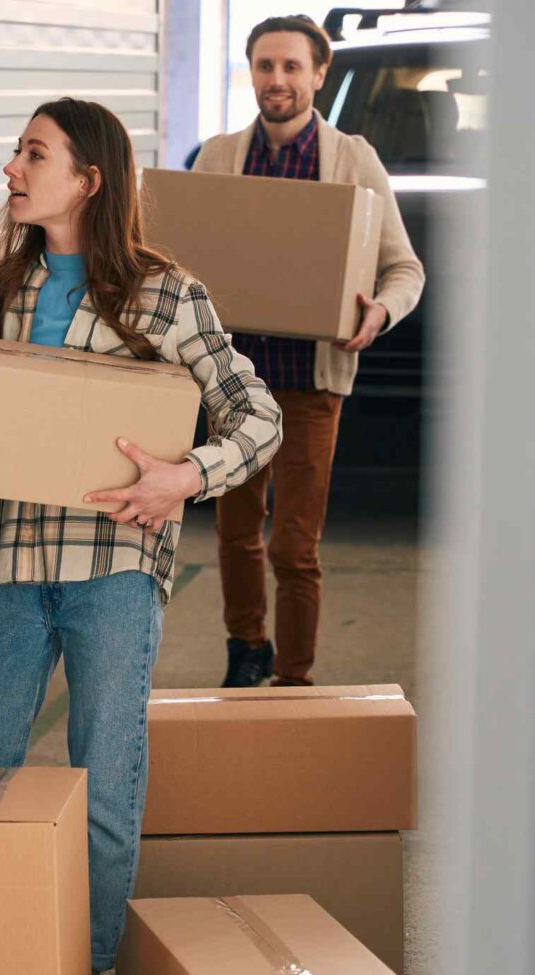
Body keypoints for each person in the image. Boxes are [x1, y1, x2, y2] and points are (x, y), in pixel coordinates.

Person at [0, 98, 281, 975]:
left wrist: (186, 477)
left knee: (104, 788)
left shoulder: (169, 295)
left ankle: (89, 969)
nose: (12, 170)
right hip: (7, 573)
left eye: (33, 153)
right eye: (17, 152)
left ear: (88, 179)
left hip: (112, 574)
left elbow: (259, 419)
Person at [193, 15, 425, 688]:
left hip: (311, 384)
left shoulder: (354, 162)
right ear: (252, 73)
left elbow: (404, 268)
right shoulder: (218, 158)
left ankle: (294, 679)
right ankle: (247, 648)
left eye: (292, 67)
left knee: (293, 546)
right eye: (266, 66)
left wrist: (380, 311)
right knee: (235, 536)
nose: (277, 80)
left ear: (319, 75)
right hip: (235, 386)